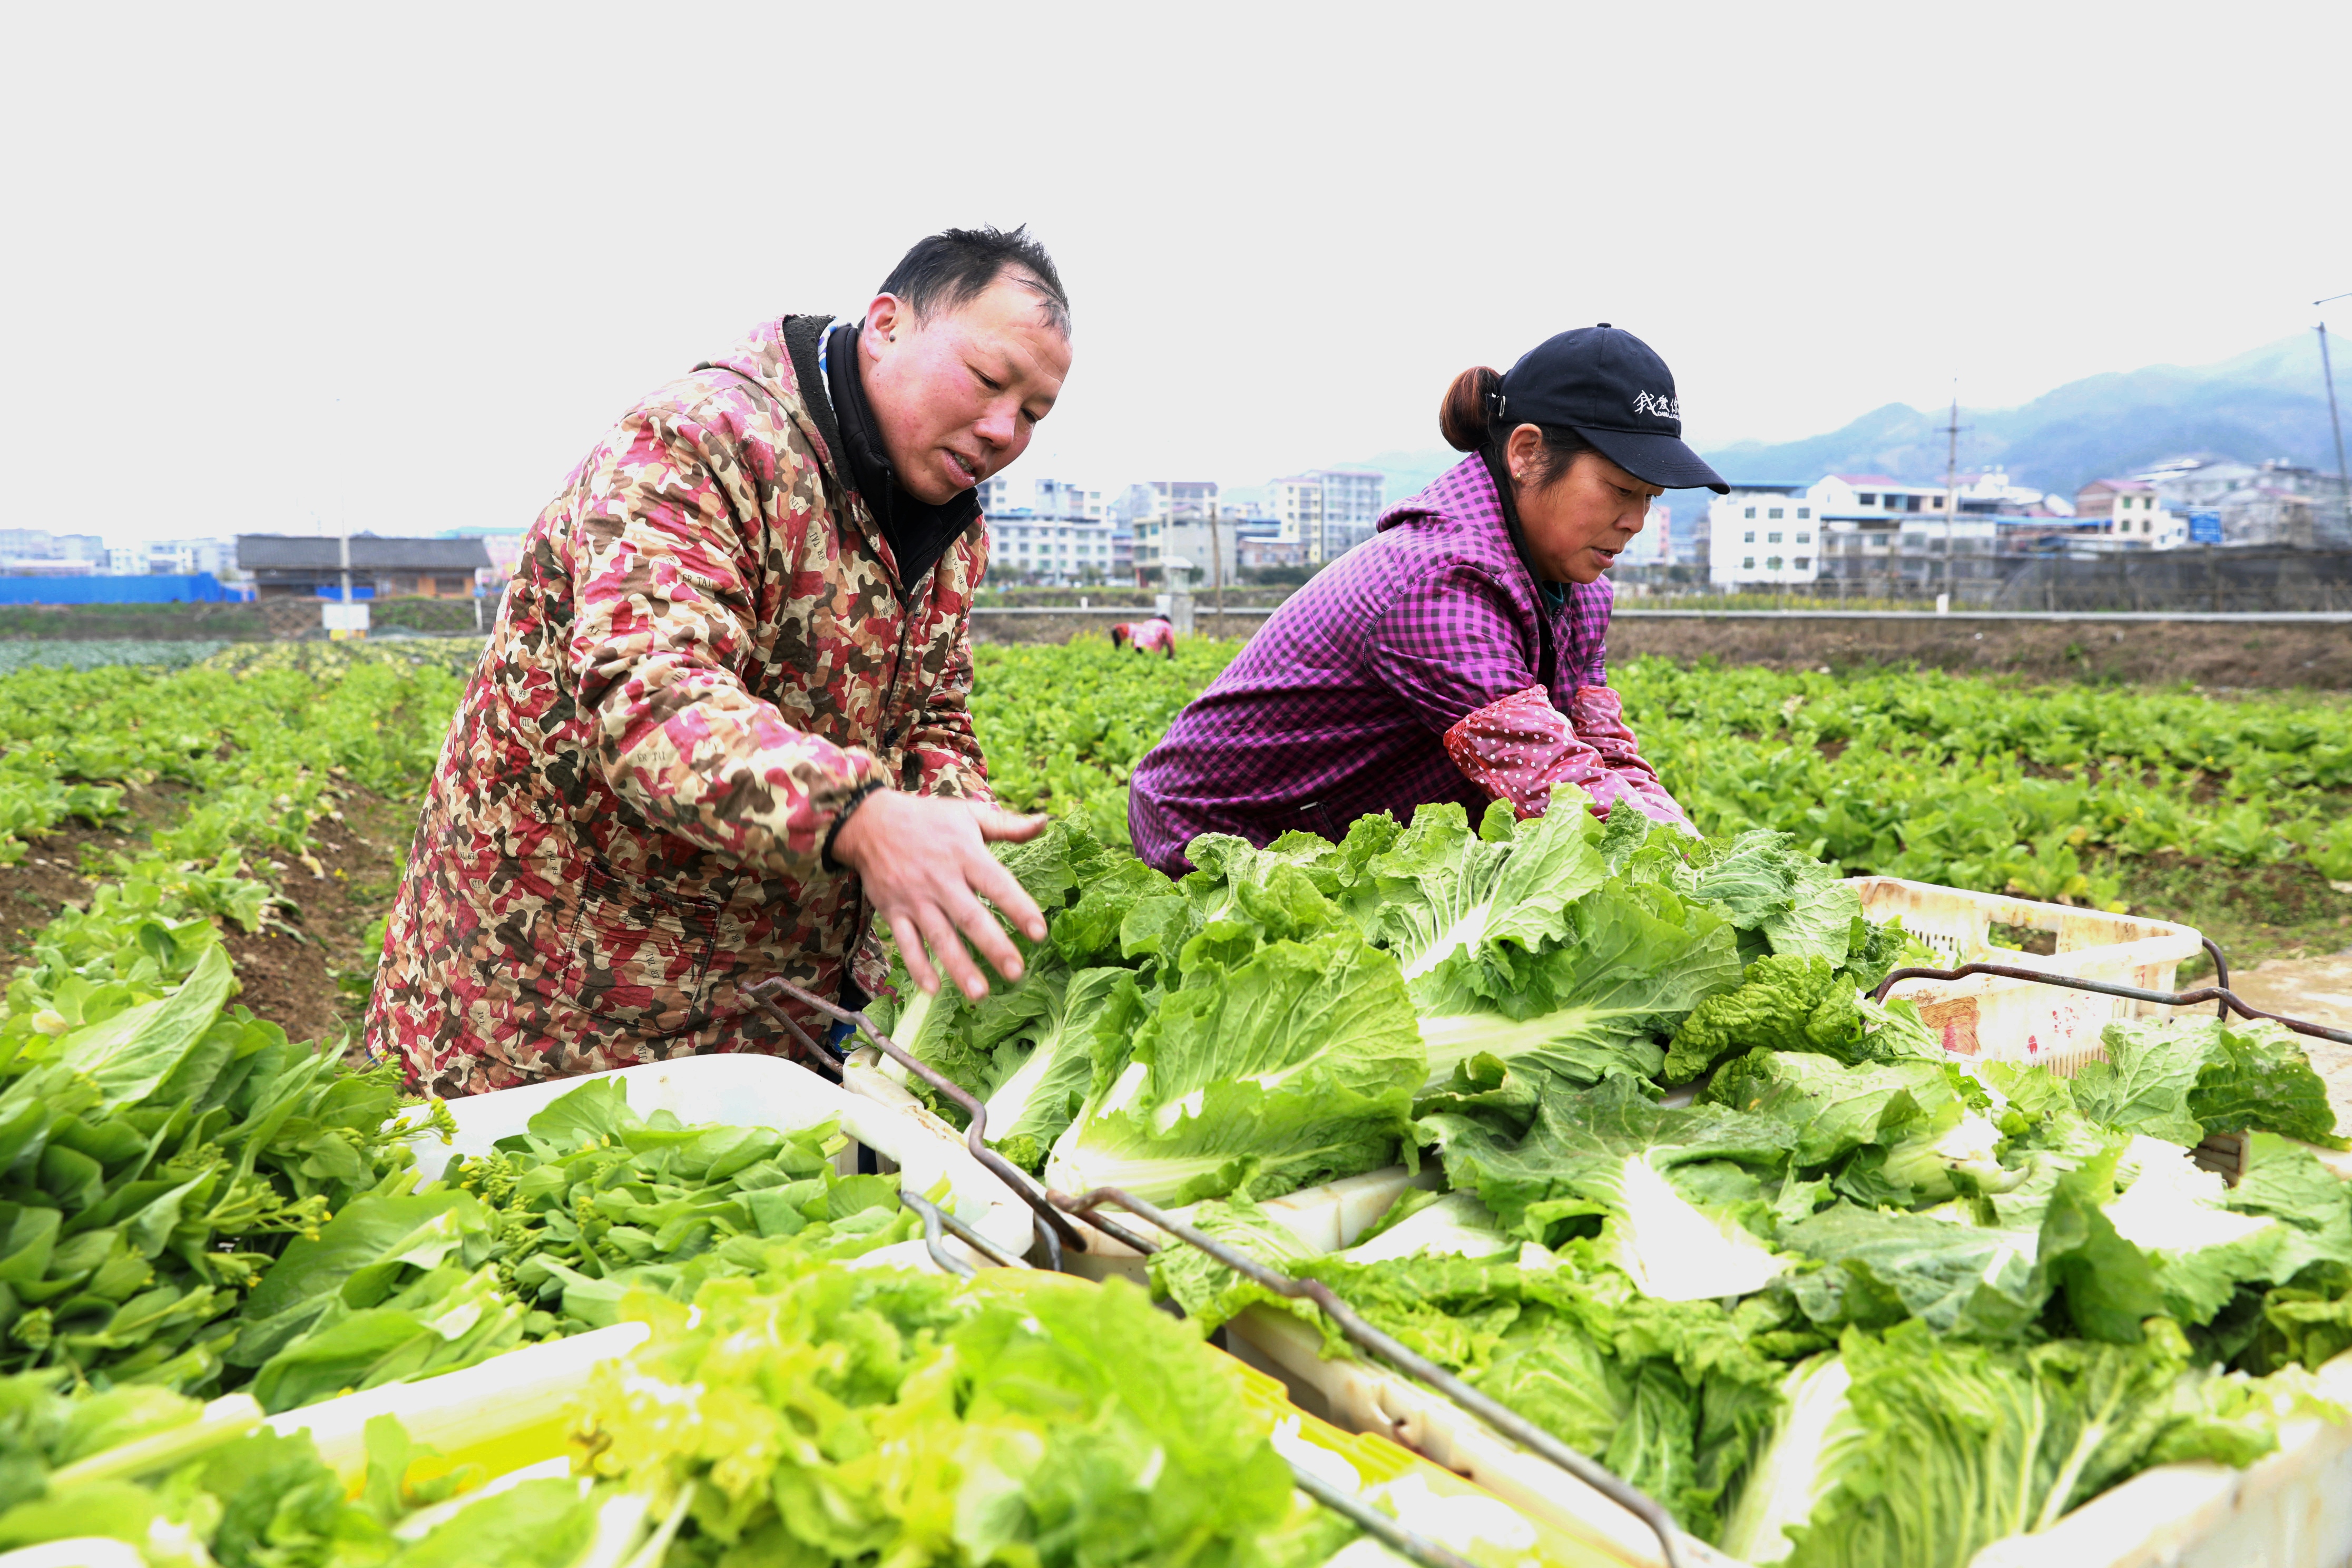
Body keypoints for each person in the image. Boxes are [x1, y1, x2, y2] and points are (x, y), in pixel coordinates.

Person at [368, 227, 1074, 1097]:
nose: (1003, 428)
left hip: (767, 1018)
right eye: (986, 379)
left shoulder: (946, 529)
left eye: (1033, 413)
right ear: (886, 324)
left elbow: (927, 717)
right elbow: (653, 699)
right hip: (555, 1014)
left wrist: (959, 830)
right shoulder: (699, 446)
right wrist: (859, 815)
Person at [1128, 325, 1724, 874]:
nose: (1636, 521)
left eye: (1650, 496)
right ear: (1525, 453)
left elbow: (1603, 752)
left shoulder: (1579, 591)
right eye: (1621, 489)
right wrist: (1689, 878)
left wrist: (1699, 860)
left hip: (1348, 821)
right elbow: (1547, 781)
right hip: (1224, 836)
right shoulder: (1438, 581)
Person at [1109, 612, 1177, 658]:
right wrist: (1171, 657)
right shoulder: (1166, 625)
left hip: (1138, 645)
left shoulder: (1148, 622)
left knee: (1140, 660)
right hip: (1152, 648)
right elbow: (1170, 641)